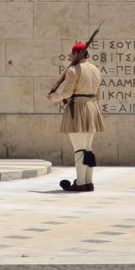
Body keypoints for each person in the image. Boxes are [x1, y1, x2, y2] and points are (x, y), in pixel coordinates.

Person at [47, 41, 105, 192]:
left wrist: (54, 97)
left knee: (79, 149)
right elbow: (98, 94)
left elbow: (67, 93)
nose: (70, 57)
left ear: (76, 54)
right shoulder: (95, 69)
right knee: (88, 148)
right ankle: (88, 182)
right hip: (92, 107)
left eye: (71, 54)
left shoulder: (73, 70)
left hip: (78, 109)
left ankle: (80, 183)